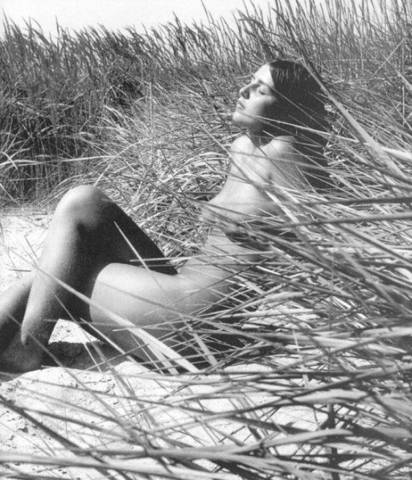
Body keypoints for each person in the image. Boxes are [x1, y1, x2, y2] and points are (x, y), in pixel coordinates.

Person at [0, 59, 329, 372]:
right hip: (180, 290)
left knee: (57, 274)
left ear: (290, 108)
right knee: (85, 203)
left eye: (261, 90)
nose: (244, 91)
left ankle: (28, 347)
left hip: (196, 326)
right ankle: (26, 343)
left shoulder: (289, 155)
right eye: (249, 82)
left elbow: (324, 238)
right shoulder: (243, 147)